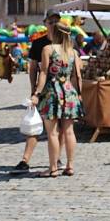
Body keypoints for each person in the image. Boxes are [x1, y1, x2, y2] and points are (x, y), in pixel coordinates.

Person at [30, 22, 83, 177]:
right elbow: (77, 76)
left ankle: (53, 168)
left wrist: (36, 93)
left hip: (52, 93)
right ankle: (70, 166)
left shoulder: (48, 49)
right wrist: (79, 94)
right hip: (69, 93)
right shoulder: (73, 52)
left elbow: (44, 73)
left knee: (52, 133)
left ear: (55, 33)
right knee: (69, 132)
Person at [13, 9, 61, 174]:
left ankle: (57, 158)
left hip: (60, 90)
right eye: (51, 21)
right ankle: (25, 160)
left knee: (57, 127)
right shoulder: (39, 43)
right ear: (45, 23)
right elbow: (33, 68)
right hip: (42, 91)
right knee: (34, 124)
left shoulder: (66, 43)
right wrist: (33, 89)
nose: (54, 24)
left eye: (57, 21)